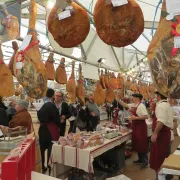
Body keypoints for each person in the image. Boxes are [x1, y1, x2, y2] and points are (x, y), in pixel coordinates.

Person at [119, 94, 149, 169]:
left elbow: (146, 116)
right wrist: (118, 99)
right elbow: (125, 105)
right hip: (135, 127)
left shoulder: (141, 106)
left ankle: (145, 162)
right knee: (137, 143)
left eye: (134, 97)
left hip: (141, 127)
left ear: (138, 98)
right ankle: (140, 159)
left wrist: (135, 118)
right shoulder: (133, 105)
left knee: (142, 144)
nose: (133, 98)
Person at [149, 91, 174, 180]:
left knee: (158, 159)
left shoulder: (160, 106)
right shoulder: (167, 104)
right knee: (165, 157)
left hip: (162, 136)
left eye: (156, 95)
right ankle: (167, 176)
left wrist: (155, 133)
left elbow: (161, 121)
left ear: (158, 96)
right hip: (166, 135)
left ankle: (160, 178)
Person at [37, 88, 61, 174]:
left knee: (42, 148)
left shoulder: (41, 103)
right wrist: (59, 125)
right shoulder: (51, 105)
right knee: (51, 148)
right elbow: (56, 118)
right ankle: (49, 165)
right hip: (50, 130)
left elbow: (38, 115)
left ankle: (42, 166)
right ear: (52, 95)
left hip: (42, 129)